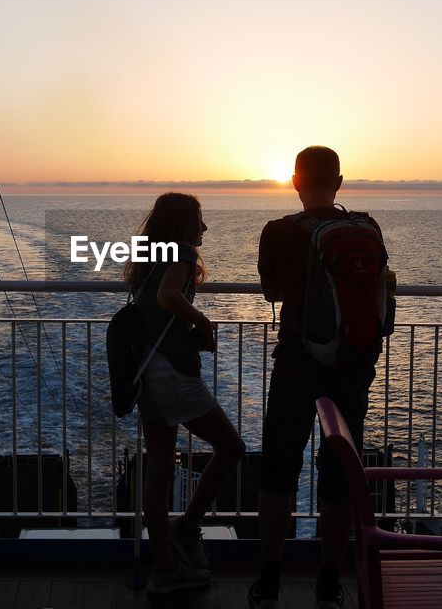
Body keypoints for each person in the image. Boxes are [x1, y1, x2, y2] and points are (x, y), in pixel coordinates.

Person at [249, 147, 385, 609]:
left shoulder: (280, 231)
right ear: (340, 182)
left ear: (294, 181)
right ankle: (329, 579)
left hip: (296, 362)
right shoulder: (366, 228)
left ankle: (269, 578)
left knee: (279, 470)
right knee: (341, 472)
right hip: (351, 365)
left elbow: (271, 290)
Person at [124, 192, 247, 595]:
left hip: (145, 373)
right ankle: (189, 527)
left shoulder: (150, 254)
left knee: (159, 468)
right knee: (231, 447)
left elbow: (155, 312)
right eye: (199, 219)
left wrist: (187, 333)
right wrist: (202, 321)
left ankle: (164, 567)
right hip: (173, 377)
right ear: (182, 225)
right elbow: (168, 297)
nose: (204, 228)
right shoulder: (182, 252)